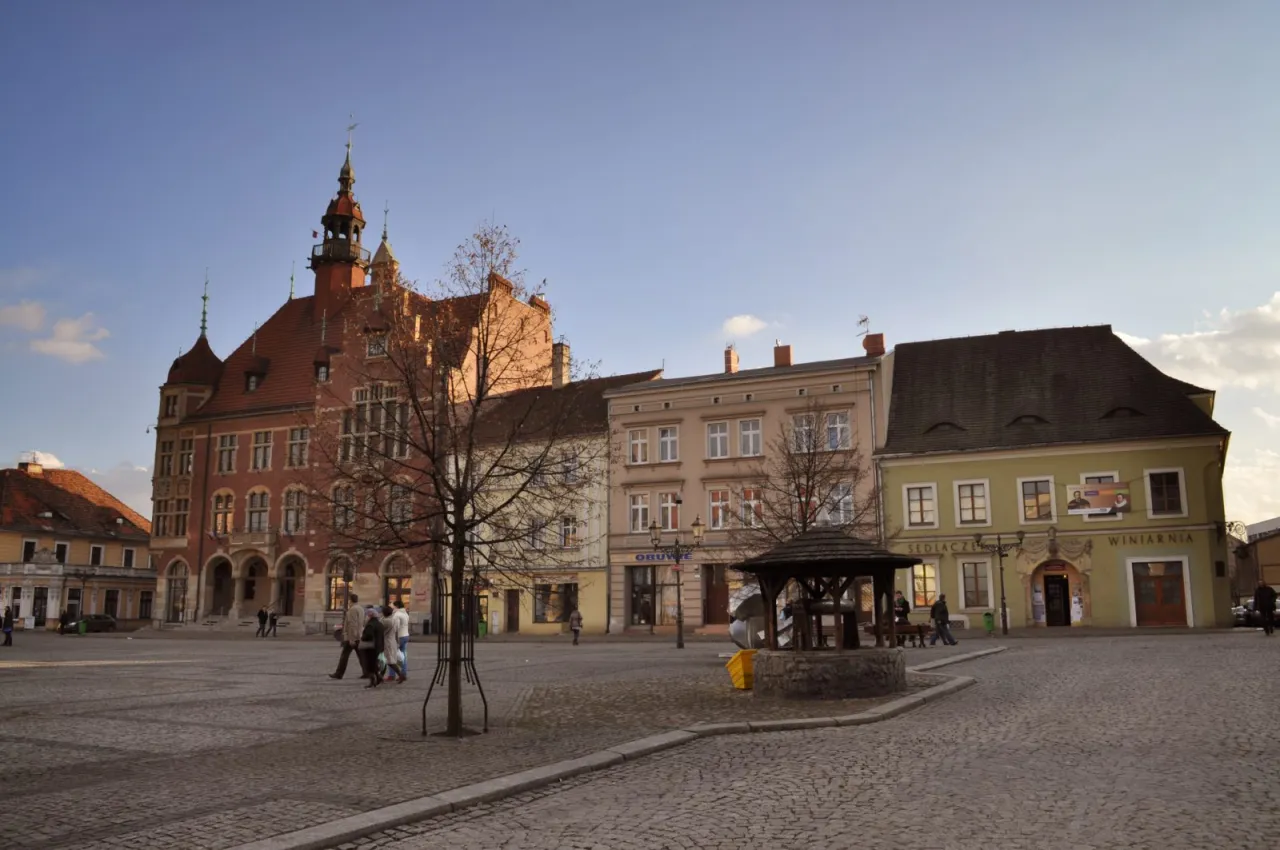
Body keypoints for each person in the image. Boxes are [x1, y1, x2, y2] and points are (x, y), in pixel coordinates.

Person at [329, 594, 366, 680]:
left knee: (344, 656)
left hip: (352, 637)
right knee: (361, 656)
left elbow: (352, 624)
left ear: (350, 600)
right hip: (358, 635)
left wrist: (351, 639)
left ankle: (339, 673)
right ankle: (367, 672)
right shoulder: (361, 608)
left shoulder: (353, 609)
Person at [380, 605, 407, 685]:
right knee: (384, 660)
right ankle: (380, 677)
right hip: (392, 641)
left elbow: (380, 630)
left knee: (389, 661)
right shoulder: (395, 619)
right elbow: (397, 632)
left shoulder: (386, 621)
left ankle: (401, 675)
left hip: (387, 641)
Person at [389, 600, 410, 680]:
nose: (391, 606)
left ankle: (392, 675)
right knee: (403, 655)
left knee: (392, 656)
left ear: (396, 606)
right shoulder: (405, 613)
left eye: (392, 605)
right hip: (405, 635)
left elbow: (395, 628)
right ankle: (403, 673)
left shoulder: (396, 615)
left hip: (399, 637)